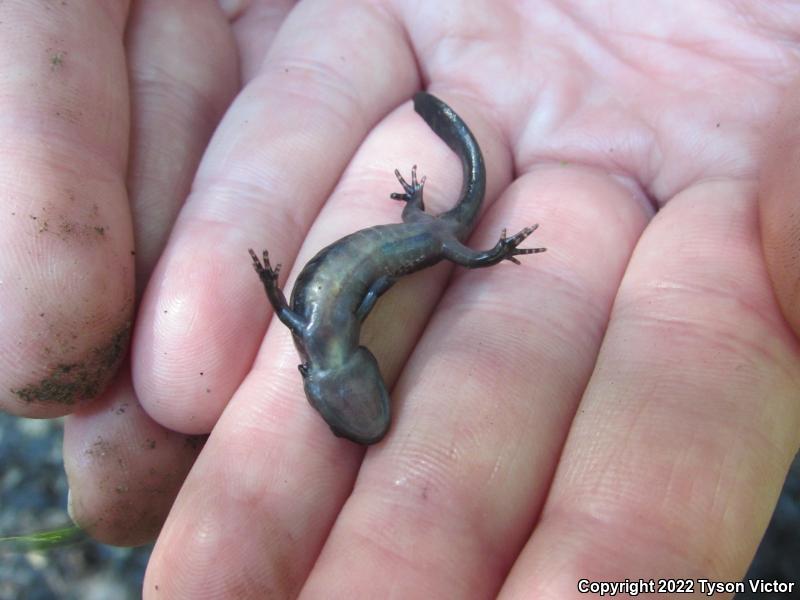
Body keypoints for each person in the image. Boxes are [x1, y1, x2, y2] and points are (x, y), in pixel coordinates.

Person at [1, 0, 798, 597]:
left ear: (331, 379)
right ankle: (452, 190)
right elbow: (309, 295)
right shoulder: (318, 330)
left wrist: (485, 249)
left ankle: (461, 200)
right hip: (417, 232)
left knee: (460, 225)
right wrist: (282, 279)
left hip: (426, 231)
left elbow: (306, 296)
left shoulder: (315, 325)